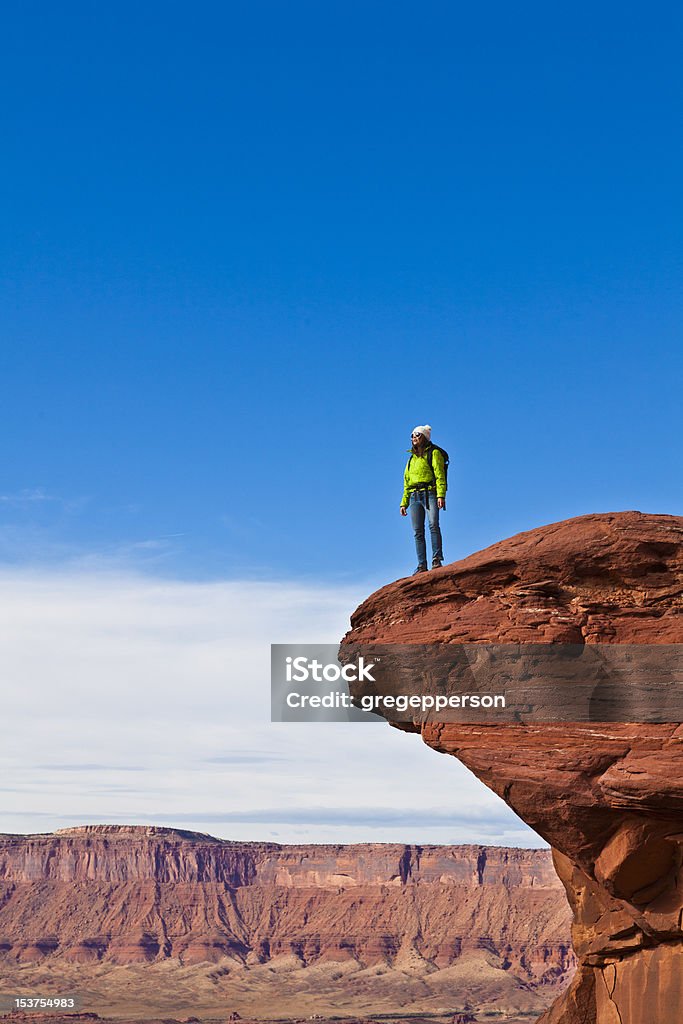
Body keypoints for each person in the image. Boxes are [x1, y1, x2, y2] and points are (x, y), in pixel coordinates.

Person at [400, 425, 446, 574]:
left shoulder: (434, 453)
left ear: (425, 437)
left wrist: (441, 495)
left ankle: (436, 559)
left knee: (433, 525)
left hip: (430, 493)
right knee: (418, 532)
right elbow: (406, 482)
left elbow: (440, 475)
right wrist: (404, 503)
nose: (414, 437)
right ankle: (421, 565)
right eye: (412, 435)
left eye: (417, 435)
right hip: (414, 497)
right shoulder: (411, 459)